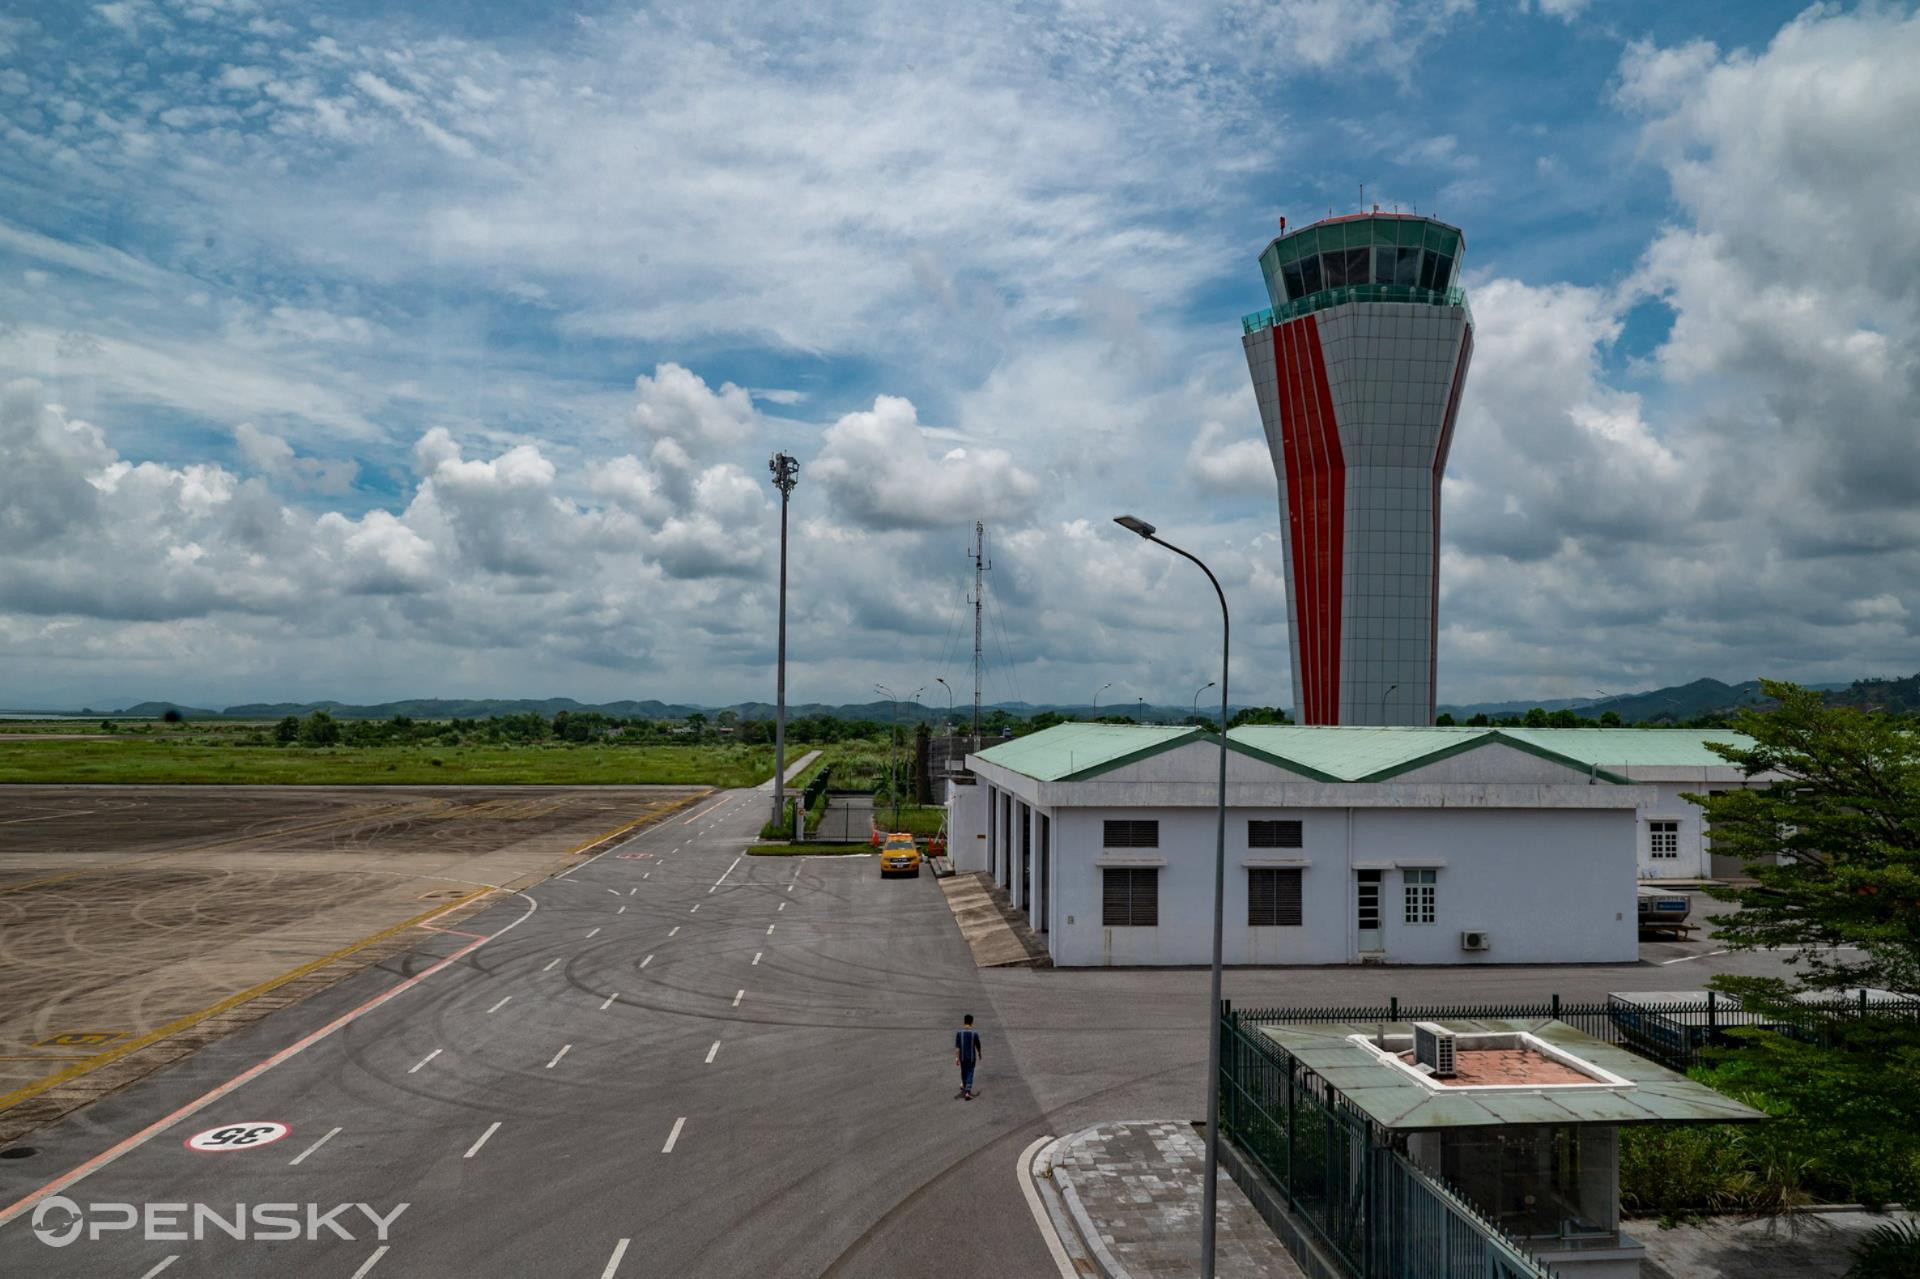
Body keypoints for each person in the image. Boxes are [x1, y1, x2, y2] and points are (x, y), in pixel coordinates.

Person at [954, 1014, 983, 1101]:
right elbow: (978, 1045)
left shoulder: (959, 1033)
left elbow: (957, 1048)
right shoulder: (974, 1034)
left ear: (964, 1022)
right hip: (971, 1058)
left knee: (963, 1071)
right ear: (972, 1022)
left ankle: (964, 1084)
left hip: (962, 1058)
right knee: (970, 1072)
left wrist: (957, 1058)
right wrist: (979, 1053)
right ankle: (967, 1092)